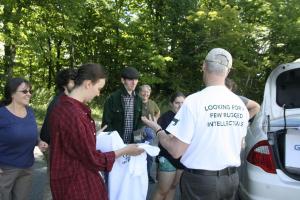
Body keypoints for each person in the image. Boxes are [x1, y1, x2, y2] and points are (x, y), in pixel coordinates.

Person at [142, 48, 249, 199]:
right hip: (231, 180)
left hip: (201, 182)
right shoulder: (239, 104)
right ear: (228, 70)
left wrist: (158, 129)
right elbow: (239, 145)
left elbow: (175, 150)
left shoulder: (194, 101)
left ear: (204, 66)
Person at [49, 63, 144, 200]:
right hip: (77, 184)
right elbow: (93, 159)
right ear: (88, 84)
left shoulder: (64, 107)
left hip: (71, 178)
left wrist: (136, 141)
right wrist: (124, 150)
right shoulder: (74, 114)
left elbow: (74, 145)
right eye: (99, 88)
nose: (99, 93)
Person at [0, 78, 48, 200]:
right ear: (12, 93)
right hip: (5, 169)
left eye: (30, 91)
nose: (29, 94)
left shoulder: (30, 112)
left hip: (27, 168)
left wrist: (39, 142)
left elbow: (31, 133)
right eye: (24, 91)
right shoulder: (2, 114)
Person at [152, 92, 185, 200]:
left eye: (182, 103)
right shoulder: (166, 117)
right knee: (162, 190)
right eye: (177, 103)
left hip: (181, 158)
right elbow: (165, 138)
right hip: (167, 157)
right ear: (171, 104)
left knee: (173, 187)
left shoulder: (187, 117)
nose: (180, 106)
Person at [101, 67, 144, 144]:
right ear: (123, 80)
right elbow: (106, 124)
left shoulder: (139, 100)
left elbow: (139, 123)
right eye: (130, 79)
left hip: (132, 143)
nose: (134, 83)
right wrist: (113, 142)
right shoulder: (112, 99)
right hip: (116, 144)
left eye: (136, 79)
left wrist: (137, 142)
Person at [40, 68, 77, 144]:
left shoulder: (68, 100)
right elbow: (46, 134)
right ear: (64, 84)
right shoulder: (59, 103)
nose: (76, 84)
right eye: (73, 81)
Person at [139, 84, 160, 184]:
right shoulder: (136, 102)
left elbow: (158, 112)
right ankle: (138, 175)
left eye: (147, 91)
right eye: (143, 91)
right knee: (138, 152)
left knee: (149, 155)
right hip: (138, 131)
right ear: (140, 92)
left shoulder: (152, 103)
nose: (145, 93)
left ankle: (147, 175)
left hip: (150, 131)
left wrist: (155, 120)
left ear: (150, 93)